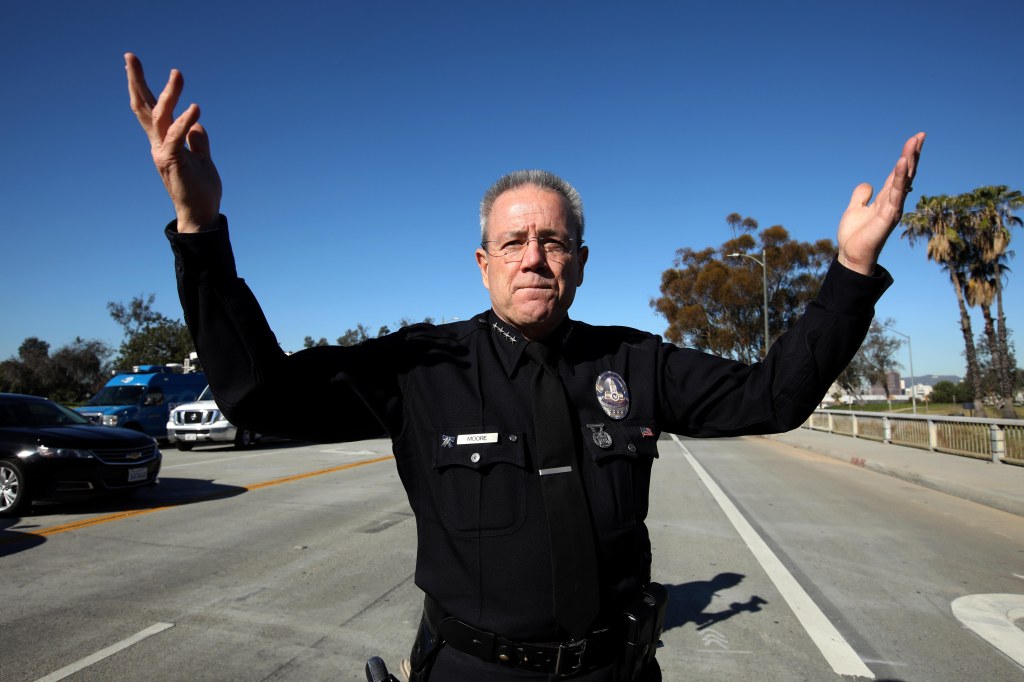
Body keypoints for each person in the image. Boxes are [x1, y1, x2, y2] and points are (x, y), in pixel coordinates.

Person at [124, 52, 924, 681]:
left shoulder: (633, 361)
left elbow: (771, 397)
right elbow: (264, 396)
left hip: (618, 669)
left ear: (579, 260)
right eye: (514, 242)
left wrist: (850, 273)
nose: (533, 258)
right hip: (474, 672)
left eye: (552, 242)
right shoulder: (420, 364)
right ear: (483, 263)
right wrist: (199, 228)